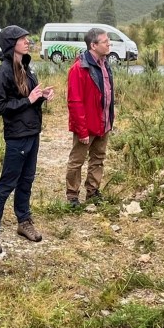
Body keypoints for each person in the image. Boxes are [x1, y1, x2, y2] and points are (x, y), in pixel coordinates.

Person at [0, 26, 54, 254]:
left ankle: (24, 222)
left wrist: (41, 97)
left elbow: (29, 99)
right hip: (17, 136)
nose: (27, 41)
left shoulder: (26, 65)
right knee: (7, 183)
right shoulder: (3, 72)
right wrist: (29, 100)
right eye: (23, 39)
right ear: (11, 43)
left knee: (27, 180)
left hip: (32, 132)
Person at [65, 27, 116, 206]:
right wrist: (82, 130)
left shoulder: (105, 63)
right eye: (104, 41)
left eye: (108, 40)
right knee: (77, 160)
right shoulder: (79, 68)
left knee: (98, 159)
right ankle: (72, 195)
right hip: (87, 125)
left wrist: (110, 120)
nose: (108, 43)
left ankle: (93, 192)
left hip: (104, 123)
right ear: (93, 45)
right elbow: (75, 102)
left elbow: (108, 94)